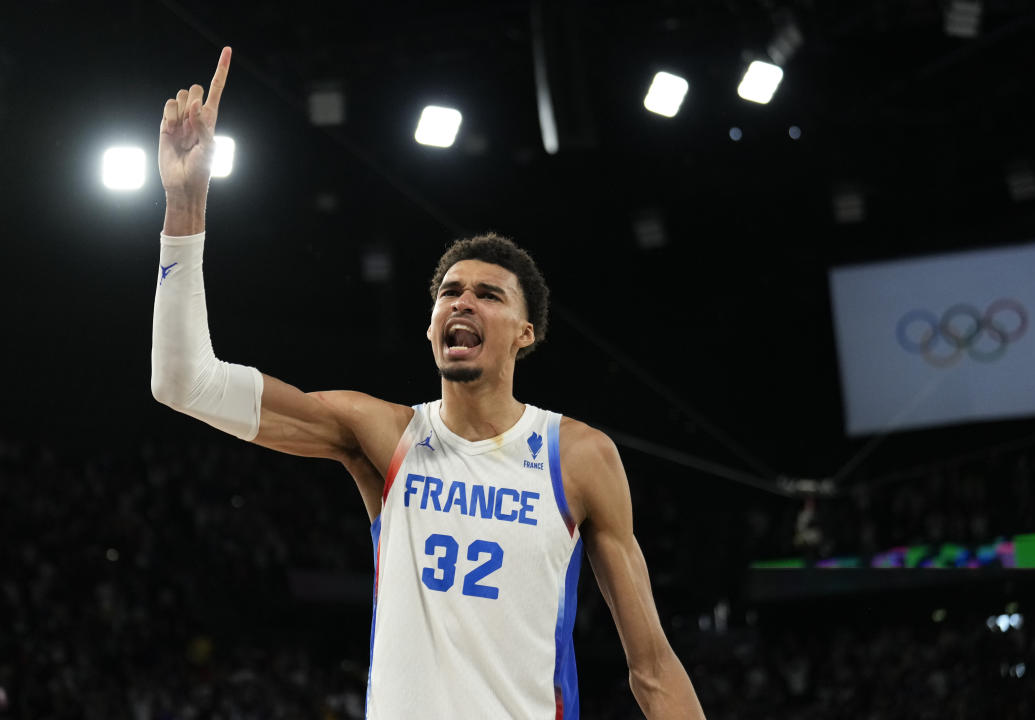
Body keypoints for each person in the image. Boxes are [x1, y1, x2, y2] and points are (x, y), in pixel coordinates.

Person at [151, 46, 706, 720]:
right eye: (449, 292)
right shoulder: (383, 433)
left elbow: (651, 670)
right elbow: (185, 383)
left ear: (526, 334)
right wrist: (185, 205)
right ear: (431, 325)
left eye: (489, 295)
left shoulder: (579, 455)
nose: (462, 302)